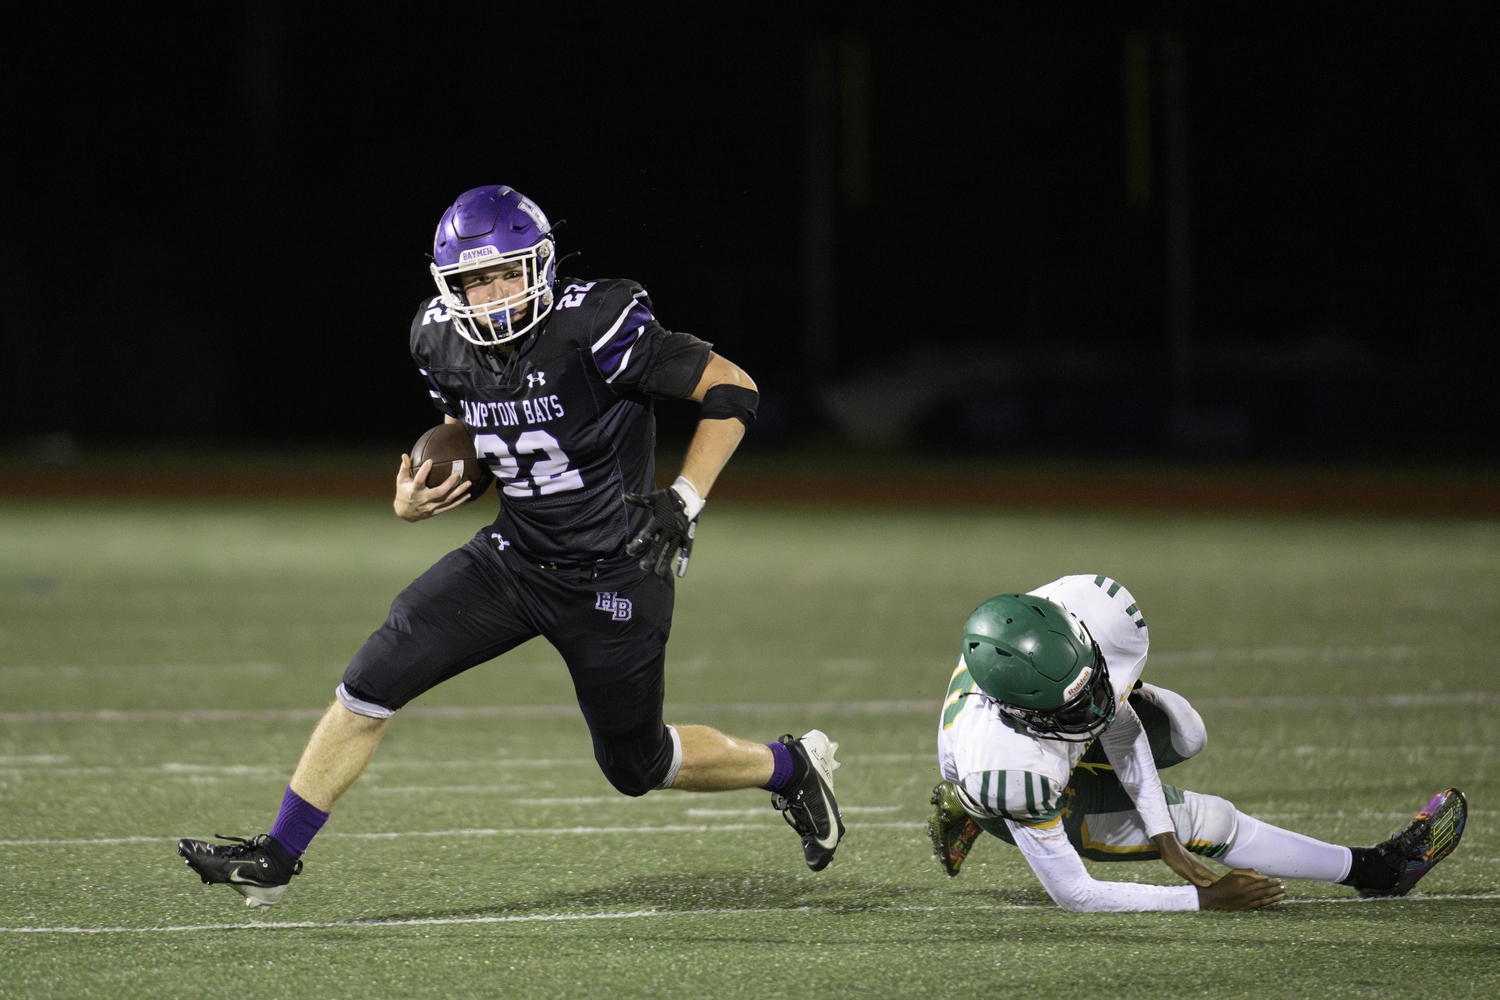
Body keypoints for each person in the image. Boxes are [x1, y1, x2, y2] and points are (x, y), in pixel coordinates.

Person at [177, 185, 845, 910]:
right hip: (513, 558)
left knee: (636, 764)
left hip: (616, 568)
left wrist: (683, 499)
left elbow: (734, 388)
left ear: (541, 268)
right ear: (450, 286)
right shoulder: (436, 337)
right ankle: (279, 854)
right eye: (474, 280)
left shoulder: (596, 322)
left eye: (506, 275)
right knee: (371, 682)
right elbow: (488, 440)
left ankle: (790, 766)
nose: (492, 295)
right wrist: (415, 499)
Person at [929, 573, 1467, 912]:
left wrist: (1161, 836)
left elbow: (1114, 719)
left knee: (1179, 730)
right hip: (1007, 788)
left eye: (1092, 681)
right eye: (1073, 707)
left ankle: (966, 802)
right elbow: (1075, 894)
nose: (1094, 706)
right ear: (1022, 710)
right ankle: (1379, 870)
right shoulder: (1012, 772)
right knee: (1210, 821)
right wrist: (1202, 898)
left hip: (1018, 756)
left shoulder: (1083, 611)